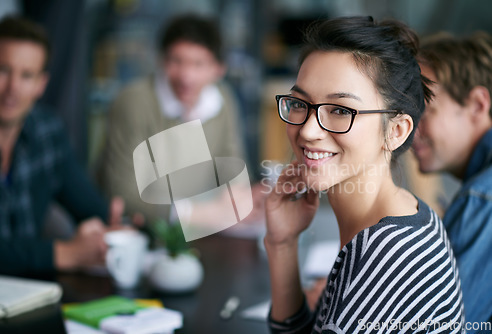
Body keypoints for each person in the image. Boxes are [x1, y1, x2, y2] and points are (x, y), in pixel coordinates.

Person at [265, 16, 465, 333]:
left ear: (396, 131)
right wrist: (283, 244)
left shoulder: (387, 255)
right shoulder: (405, 217)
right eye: (300, 103)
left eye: (341, 110)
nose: (308, 130)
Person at [0, 16, 127, 277]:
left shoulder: (46, 130)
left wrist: (114, 225)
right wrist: (63, 253)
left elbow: (89, 206)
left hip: (31, 295)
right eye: (1, 70)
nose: (13, 88)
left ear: (41, 85)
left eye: (27, 75)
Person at [98, 14, 248, 224]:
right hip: (136, 228)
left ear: (218, 69)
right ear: (161, 60)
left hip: (200, 228)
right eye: (176, 61)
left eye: (198, 64)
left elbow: (233, 167)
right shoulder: (134, 101)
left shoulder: (222, 100)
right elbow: (123, 193)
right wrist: (193, 214)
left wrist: (237, 199)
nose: (186, 76)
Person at [413, 31, 492, 328]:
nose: (409, 130)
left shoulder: (482, 200)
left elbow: (446, 326)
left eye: (423, 110)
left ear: (477, 105)